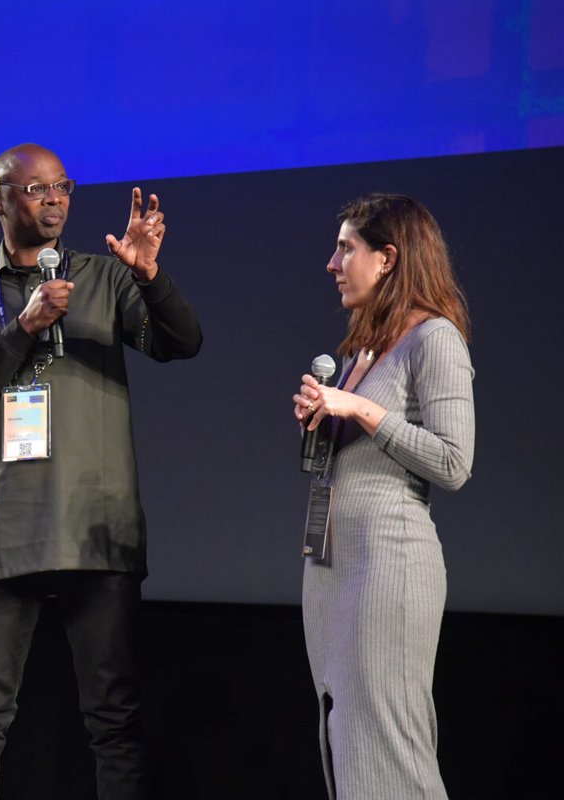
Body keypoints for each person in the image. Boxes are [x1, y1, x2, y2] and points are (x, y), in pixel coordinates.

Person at [0, 143, 202, 799]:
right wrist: (22, 328)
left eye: (62, 188)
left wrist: (149, 276)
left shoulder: (106, 278)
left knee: (114, 720)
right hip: (3, 533)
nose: (53, 201)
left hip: (95, 528)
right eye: (35, 190)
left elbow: (182, 342)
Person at [293, 194, 475, 799]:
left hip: (389, 571)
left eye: (346, 248)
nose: (332, 263)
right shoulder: (363, 350)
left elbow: (453, 462)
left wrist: (362, 410)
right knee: (348, 746)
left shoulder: (435, 339)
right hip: (334, 573)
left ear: (389, 258)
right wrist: (324, 417)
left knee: (390, 752)